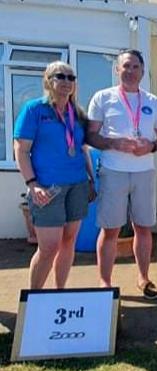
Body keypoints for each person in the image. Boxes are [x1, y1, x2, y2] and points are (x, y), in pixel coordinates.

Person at [87, 49, 157, 299]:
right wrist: (113, 143)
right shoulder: (103, 98)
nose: (130, 71)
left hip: (144, 172)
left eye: (135, 67)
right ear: (117, 69)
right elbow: (90, 135)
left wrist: (151, 146)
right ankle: (105, 282)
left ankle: (143, 278)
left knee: (143, 228)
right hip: (114, 171)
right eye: (126, 66)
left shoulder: (153, 101)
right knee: (110, 230)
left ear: (143, 71)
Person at [14, 61, 95, 289]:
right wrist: (32, 184)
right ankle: (34, 298)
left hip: (77, 185)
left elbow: (82, 149)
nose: (67, 82)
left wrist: (91, 180)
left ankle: (60, 291)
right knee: (49, 247)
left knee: (68, 242)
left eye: (71, 77)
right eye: (61, 76)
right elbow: (21, 149)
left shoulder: (77, 114)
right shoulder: (34, 109)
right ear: (49, 80)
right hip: (47, 188)